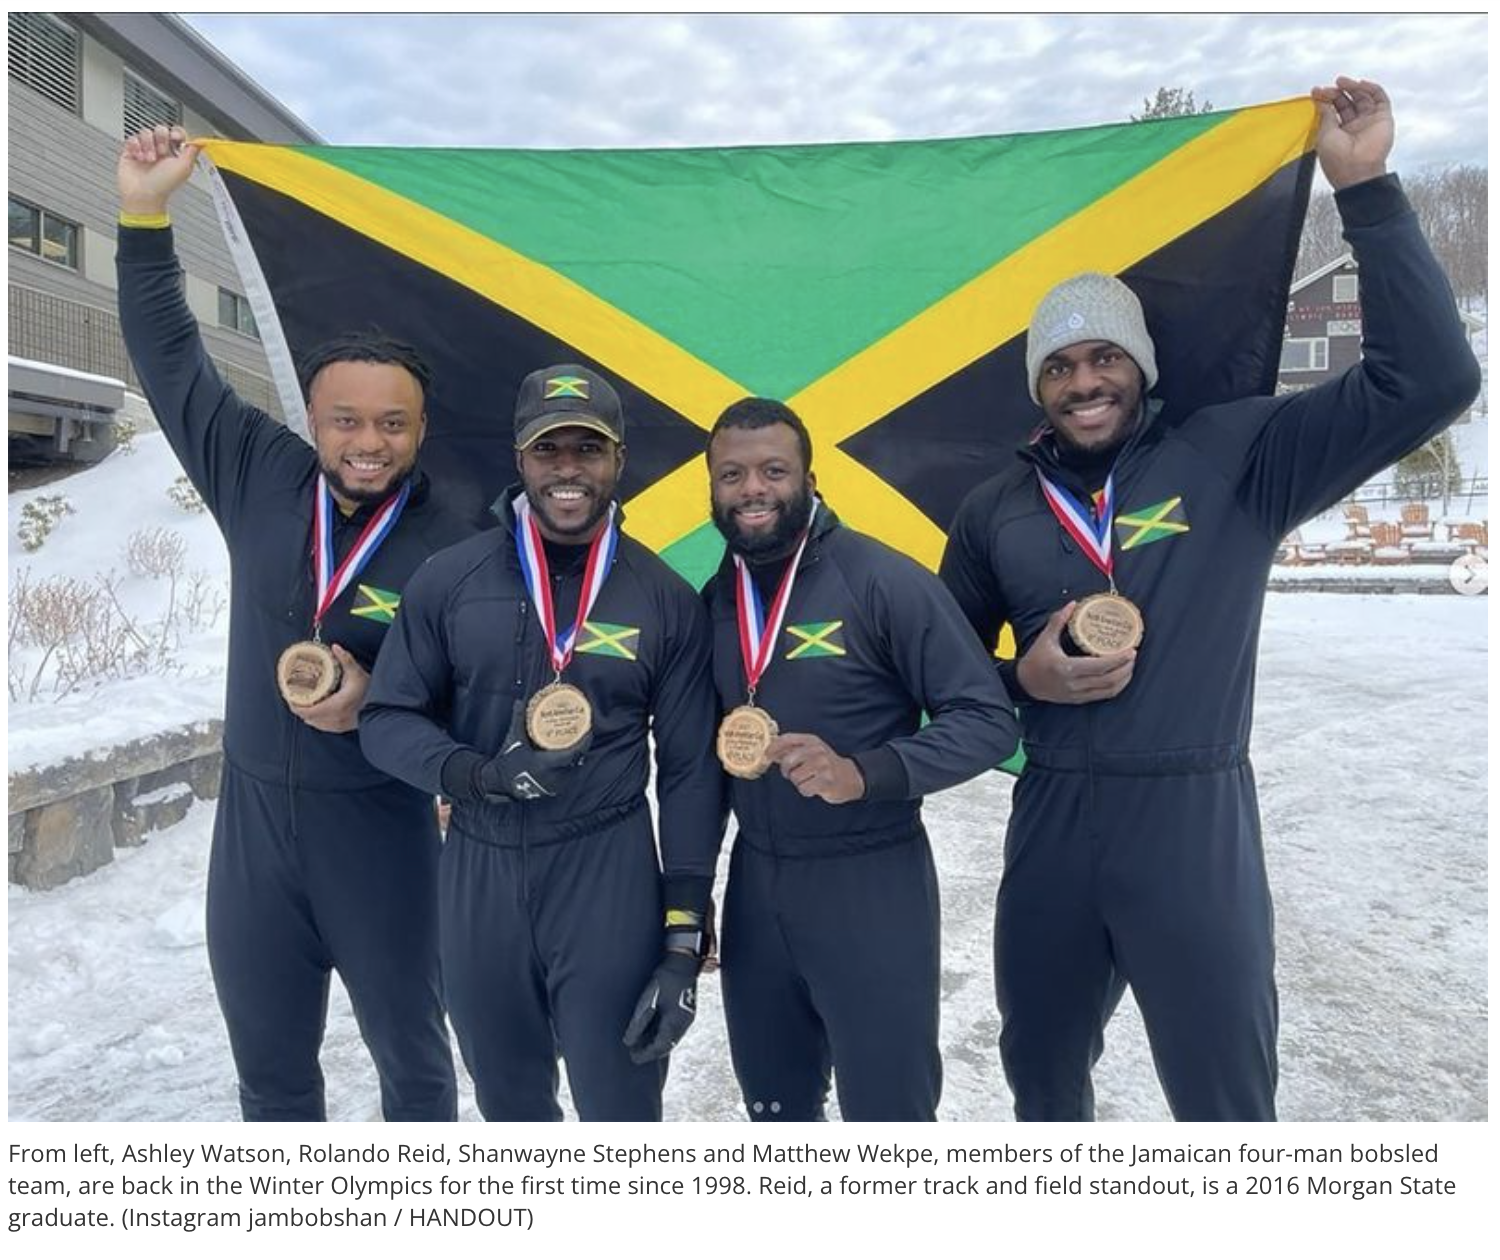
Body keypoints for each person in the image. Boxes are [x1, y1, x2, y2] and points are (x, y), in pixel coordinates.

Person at [938, 78, 1482, 1122]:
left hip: (1193, 821)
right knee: (1041, 1085)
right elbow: (945, 681)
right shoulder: (992, 508)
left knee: (1227, 1105)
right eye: (1060, 363)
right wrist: (1025, 678)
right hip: (1049, 818)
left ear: (1139, 367)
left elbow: (1430, 383)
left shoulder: (1235, 452)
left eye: (1105, 355)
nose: (1084, 378)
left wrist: (1363, 190)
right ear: (1035, 385)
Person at [116, 125, 471, 1120]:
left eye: (391, 424)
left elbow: (487, 692)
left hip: (384, 836)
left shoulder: (461, 540)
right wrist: (145, 214)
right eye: (346, 421)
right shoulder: (259, 475)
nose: (368, 443)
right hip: (255, 834)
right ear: (312, 421)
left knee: (416, 1070)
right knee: (270, 1078)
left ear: (421, 429)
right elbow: (171, 358)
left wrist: (379, 704)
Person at [360, 364, 725, 1121]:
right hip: (479, 873)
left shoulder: (666, 600)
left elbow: (691, 773)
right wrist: (475, 776)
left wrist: (682, 937)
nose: (567, 469)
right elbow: (386, 722)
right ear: (519, 459)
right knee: (510, 1106)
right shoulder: (448, 581)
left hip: (607, 874)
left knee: (620, 1108)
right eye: (547, 449)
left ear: (619, 460)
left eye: (587, 450)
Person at [702, 398, 1019, 1121]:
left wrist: (865, 772)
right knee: (776, 1112)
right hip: (757, 887)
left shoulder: (882, 581)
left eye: (774, 470)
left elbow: (987, 720)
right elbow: (696, 763)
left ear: (810, 479)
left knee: (889, 1115)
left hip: (872, 884)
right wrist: (691, 894)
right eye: (732, 474)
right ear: (713, 488)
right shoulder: (714, 602)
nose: (753, 489)